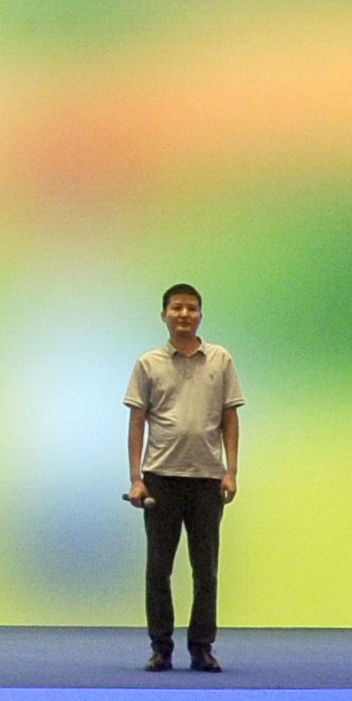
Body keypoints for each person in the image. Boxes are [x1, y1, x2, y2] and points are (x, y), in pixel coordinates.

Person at [123, 282, 241, 673]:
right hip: (161, 478)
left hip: (207, 479)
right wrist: (136, 477)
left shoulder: (220, 360)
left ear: (200, 315)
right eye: (176, 308)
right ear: (164, 315)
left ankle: (202, 648)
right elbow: (137, 421)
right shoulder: (148, 363)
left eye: (191, 308)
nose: (184, 314)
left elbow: (229, 417)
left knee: (206, 571)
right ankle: (161, 648)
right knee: (159, 569)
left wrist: (231, 471)